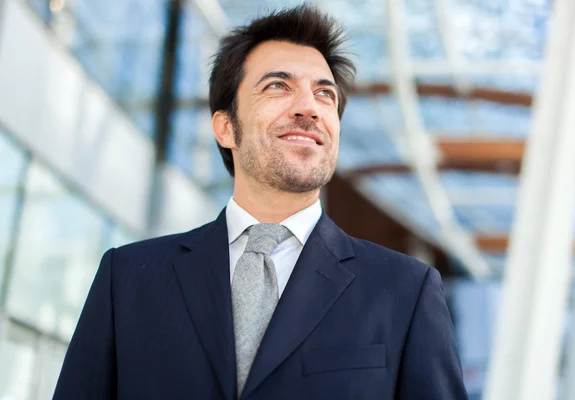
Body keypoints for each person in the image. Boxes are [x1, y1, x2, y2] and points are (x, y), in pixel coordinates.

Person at [53, 5, 468, 400]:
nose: (309, 107)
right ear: (225, 127)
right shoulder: (126, 280)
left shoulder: (406, 292)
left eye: (325, 94)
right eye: (278, 86)